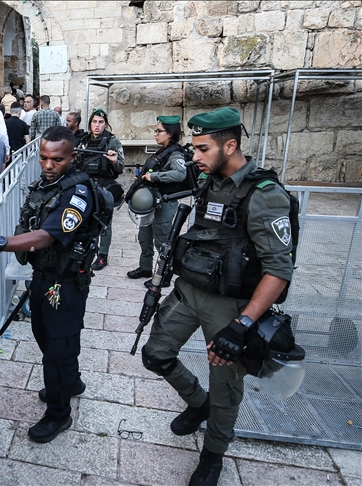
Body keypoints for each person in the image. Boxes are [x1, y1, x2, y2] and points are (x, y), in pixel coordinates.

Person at [141, 108, 294, 486]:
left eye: (202, 148)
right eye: (193, 148)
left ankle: (213, 456)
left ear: (230, 145)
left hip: (231, 305)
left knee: (226, 388)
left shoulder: (265, 194)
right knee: (155, 354)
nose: (194, 156)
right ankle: (198, 402)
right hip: (191, 289)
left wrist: (243, 325)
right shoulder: (212, 180)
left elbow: (279, 269)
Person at [0, 126, 98, 443]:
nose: (48, 165)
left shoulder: (77, 194)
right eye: (44, 158)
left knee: (56, 352)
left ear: (73, 157)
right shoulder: (49, 184)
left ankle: (58, 414)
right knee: (46, 337)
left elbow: (47, 235)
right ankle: (71, 382)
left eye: (57, 160)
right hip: (43, 278)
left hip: (64, 285)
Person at [126, 115, 187, 281]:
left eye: (159, 131)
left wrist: (155, 177)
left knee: (161, 241)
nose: (155, 134)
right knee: (144, 237)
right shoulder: (162, 151)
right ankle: (145, 268)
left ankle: (164, 275)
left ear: (170, 134)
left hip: (165, 202)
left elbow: (181, 173)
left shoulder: (175, 154)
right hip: (152, 202)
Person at [75, 109, 123, 270]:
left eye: (101, 122)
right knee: (82, 218)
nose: (97, 125)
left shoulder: (112, 142)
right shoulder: (83, 140)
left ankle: (103, 256)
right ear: (89, 123)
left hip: (104, 186)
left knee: (104, 222)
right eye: (94, 122)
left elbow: (121, 166)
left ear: (105, 124)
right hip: (85, 185)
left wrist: (115, 160)